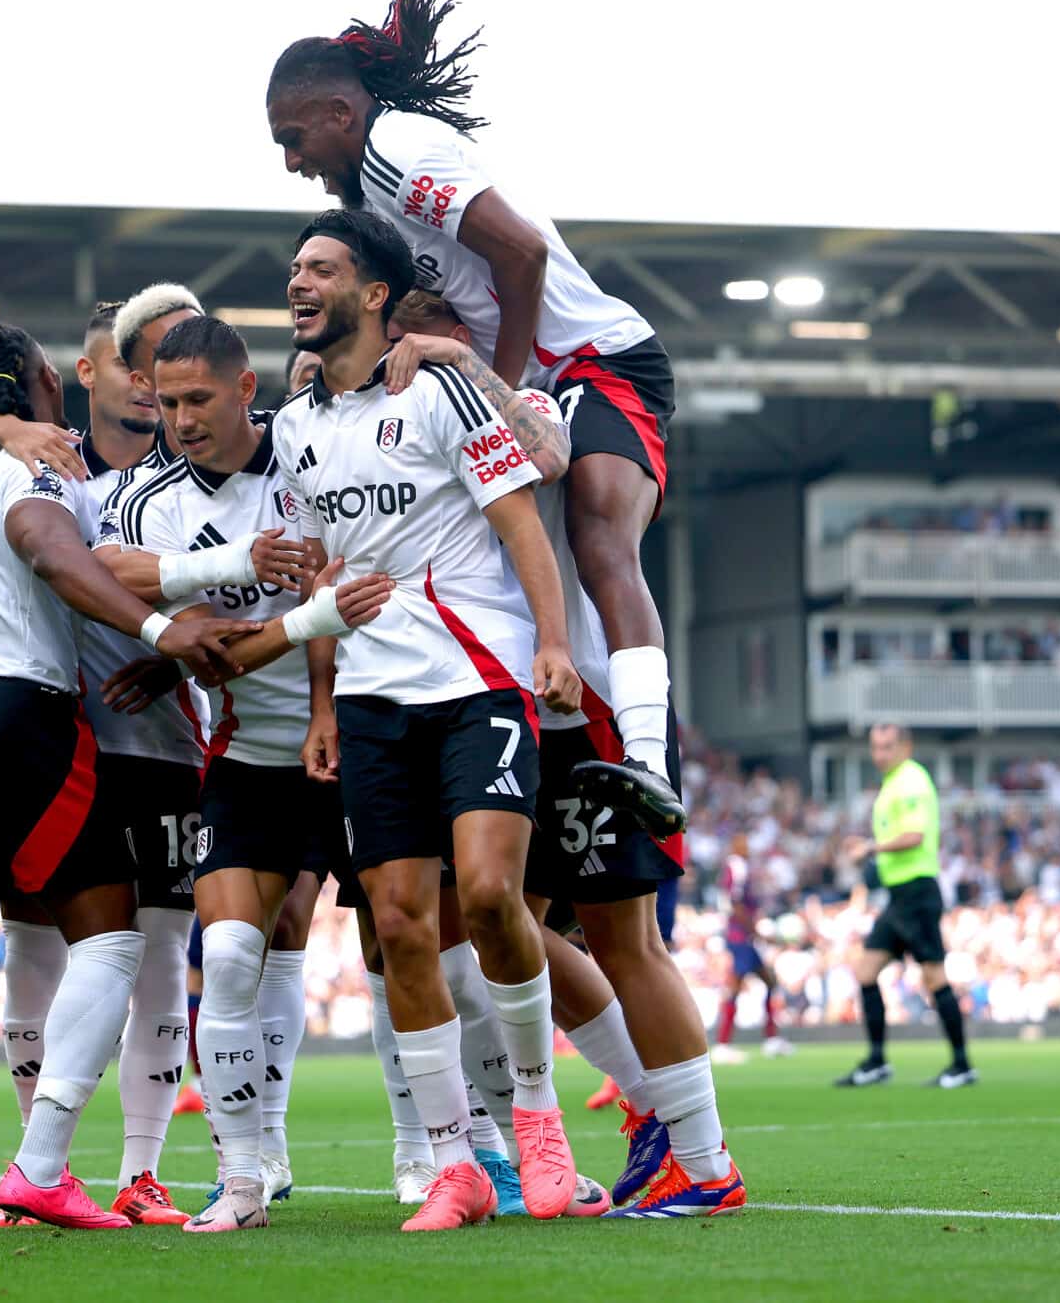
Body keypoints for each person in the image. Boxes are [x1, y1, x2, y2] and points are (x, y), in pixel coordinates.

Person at [266, 0, 687, 842]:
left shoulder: (396, 150)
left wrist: (506, 382)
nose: (291, 161)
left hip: (594, 358)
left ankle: (647, 756)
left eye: (294, 138)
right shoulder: (370, 193)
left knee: (598, 534)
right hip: (528, 376)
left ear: (341, 114)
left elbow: (522, 254)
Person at [0, 319, 255, 1235]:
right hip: (22, 715)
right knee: (114, 941)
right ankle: (42, 1166)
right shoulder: (36, 464)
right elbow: (52, 551)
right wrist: (163, 631)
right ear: (47, 379)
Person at [382, 298, 742, 1217]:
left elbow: (546, 451)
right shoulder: (387, 428)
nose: (403, 342)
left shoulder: (525, 398)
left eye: (426, 323)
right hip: (484, 704)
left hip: (579, 698)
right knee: (488, 921)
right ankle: (646, 1107)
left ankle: (706, 1163)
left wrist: (461, 361)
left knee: (625, 938)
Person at [273, 206, 585, 1231]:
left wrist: (551, 643)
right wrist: (322, 701)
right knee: (398, 923)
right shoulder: (293, 427)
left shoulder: (439, 390)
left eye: (321, 268)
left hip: (476, 675)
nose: (298, 282)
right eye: (295, 268)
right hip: (370, 697)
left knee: (490, 895)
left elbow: (519, 523)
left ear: (373, 294)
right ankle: (455, 1162)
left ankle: (537, 1117)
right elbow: (321, 577)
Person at [96, 312, 396, 1229]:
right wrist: (217, 593)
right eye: (167, 402)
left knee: (400, 946)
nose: (181, 419)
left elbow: (336, 589)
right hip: (246, 754)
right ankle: (244, 1173)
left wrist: (320, 702)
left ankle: (433, 1154)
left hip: (361, 737)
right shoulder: (151, 499)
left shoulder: (305, 461)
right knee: (228, 952)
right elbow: (135, 589)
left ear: (244, 390)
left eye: (197, 400)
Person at [836, 723, 974, 1090]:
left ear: (905, 747)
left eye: (887, 746)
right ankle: (877, 1061)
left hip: (917, 893)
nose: (879, 754)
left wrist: (870, 848)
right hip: (898, 896)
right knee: (866, 971)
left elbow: (914, 836)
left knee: (934, 977)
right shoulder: (893, 784)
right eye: (875, 747)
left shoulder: (911, 780)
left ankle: (962, 1064)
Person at [713, 835, 792, 1065]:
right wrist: (755, 932)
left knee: (769, 982)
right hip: (740, 937)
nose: (748, 848)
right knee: (735, 987)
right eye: (744, 844)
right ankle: (723, 1045)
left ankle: (772, 1039)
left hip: (742, 936)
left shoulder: (737, 866)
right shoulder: (737, 866)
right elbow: (735, 903)